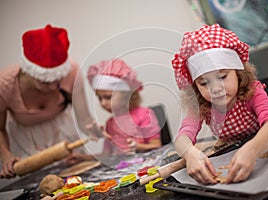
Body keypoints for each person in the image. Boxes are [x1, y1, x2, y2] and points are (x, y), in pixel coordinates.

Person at [171, 24, 268, 184]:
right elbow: (182, 137)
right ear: (195, 86)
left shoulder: (252, 91)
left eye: (222, 77)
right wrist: (190, 153)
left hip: (263, 144)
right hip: (230, 150)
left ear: (238, 72)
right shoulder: (201, 104)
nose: (215, 88)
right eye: (204, 83)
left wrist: (252, 149)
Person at [0, 25, 102, 178]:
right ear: (29, 72)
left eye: (58, 80)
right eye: (46, 82)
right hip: (26, 143)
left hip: (65, 135)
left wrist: (93, 129)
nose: (55, 86)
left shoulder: (71, 71)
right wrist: (6, 155)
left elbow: (84, 120)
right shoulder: (4, 85)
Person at [87, 59, 162, 155]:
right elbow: (106, 155)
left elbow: (157, 145)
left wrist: (138, 147)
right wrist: (81, 158)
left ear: (126, 95)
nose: (103, 103)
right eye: (99, 98)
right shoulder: (110, 124)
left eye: (107, 97)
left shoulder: (144, 115)